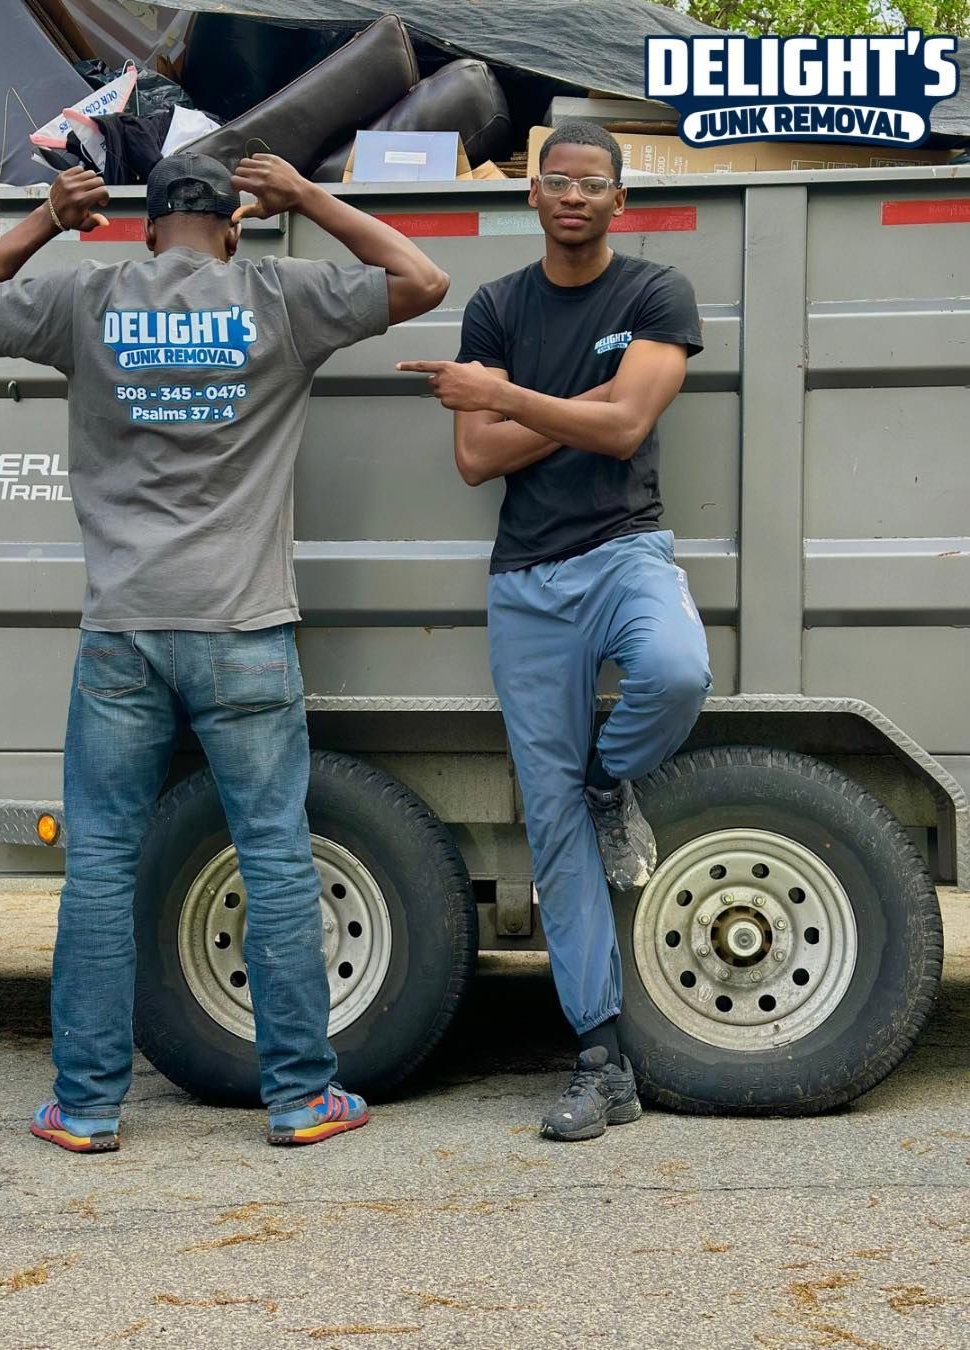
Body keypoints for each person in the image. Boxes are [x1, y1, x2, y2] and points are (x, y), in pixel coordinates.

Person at [0, 152, 448, 1153]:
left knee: (103, 872)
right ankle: (299, 1099)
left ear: (151, 228)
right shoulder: (280, 297)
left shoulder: (89, 299)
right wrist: (310, 198)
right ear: (236, 227)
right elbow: (423, 281)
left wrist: (47, 217)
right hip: (245, 630)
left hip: (122, 633)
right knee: (279, 865)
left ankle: (83, 1109)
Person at [398, 123, 710, 1142]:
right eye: (556, 181)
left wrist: (508, 398)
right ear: (532, 196)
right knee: (557, 837)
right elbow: (474, 461)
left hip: (628, 550)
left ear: (620, 201)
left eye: (593, 184)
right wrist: (570, 406)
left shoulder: (656, 295)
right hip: (527, 585)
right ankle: (600, 1059)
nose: (573, 196)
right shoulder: (494, 305)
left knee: (675, 672)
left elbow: (625, 431)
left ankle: (607, 774)